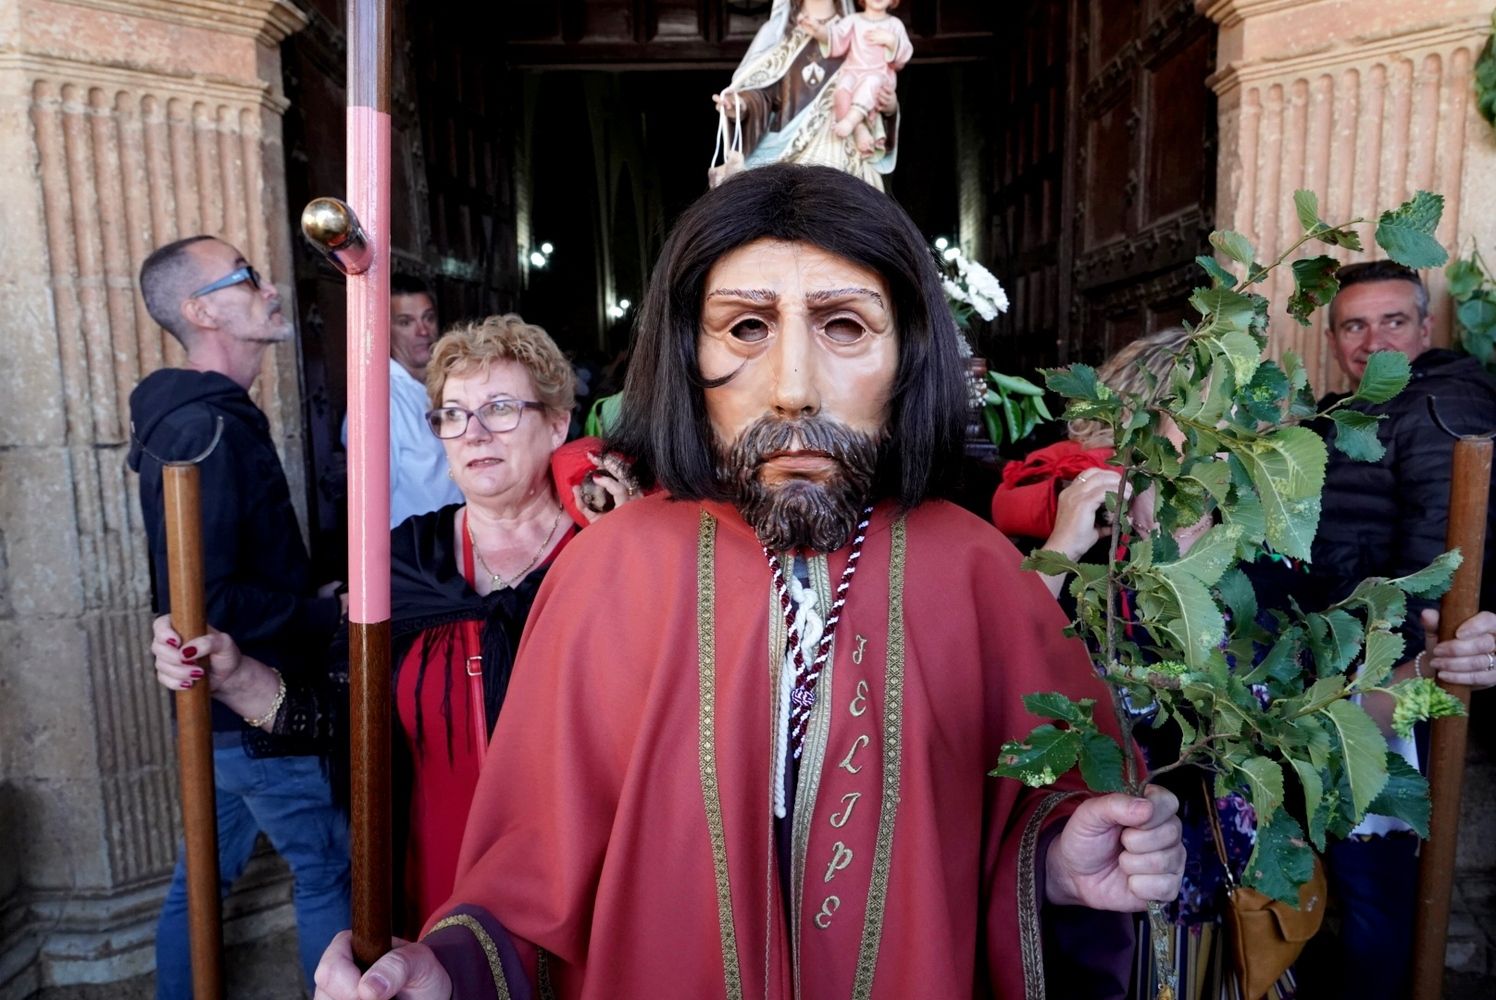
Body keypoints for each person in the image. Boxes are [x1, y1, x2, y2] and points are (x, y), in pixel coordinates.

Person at [311, 165, 1185, 1000]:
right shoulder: (611, 571)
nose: (793, 388)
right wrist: (450, 973)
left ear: (910, 354)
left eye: (844, 326)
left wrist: (1058, 866)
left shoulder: (976, 572)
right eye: (745, 329)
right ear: (686, 358)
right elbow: (530, 886)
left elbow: (1012, 839)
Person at [151, 314, 638, 936]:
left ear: (557, 423)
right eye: (453, 414)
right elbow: (343, 713)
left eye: (502, 408)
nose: (475, 432)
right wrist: (233, 674)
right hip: (440, 874)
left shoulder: (605, 553)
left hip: (588, 877)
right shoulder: (400, 562)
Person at [126, 236, 351, 998]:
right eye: (246, 277)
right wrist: (325, 618)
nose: (269, 288)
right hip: (253, 703)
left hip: (218, 714)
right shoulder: (205, 427)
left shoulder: (206, 416)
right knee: (328, 869)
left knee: (199, 882)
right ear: (200, 310)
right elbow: (207, 601)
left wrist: (307, 600)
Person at [1295, 259, 1496, 1000]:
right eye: (1354, 323)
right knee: (1359, 886)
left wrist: (1397, 688)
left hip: (1400, 684)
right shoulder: (1368, 410)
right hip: (1355, 674)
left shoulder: (1442, 406)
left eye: (1393, 320)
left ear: (1426, 326)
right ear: (1335, 336)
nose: (1373, 339)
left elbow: (1448, 565)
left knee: (1378, 884)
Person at [991, 328, 1191, 598]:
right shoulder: (1090, 511)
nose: (1229, 431)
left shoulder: (1249, 528)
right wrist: (1063, 548)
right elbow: (1014, 632)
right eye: (1200, 411)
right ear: (1144, 419)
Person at [711, 0, 901, 189]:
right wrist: (741, 105)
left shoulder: (856, 29)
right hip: (783, 146)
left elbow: (877, 76)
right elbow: (763, 93)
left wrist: (890, 107)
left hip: (840, 144)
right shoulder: (776, 33)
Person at [341, 274, 462, 527]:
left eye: (428, 318)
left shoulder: (449, 385)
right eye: (406, 322)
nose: (423, 331)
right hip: (415, 555)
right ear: (384, 329)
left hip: (457, 543)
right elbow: (371, 511)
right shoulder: (378, 402)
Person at [798, 0, 912, 156]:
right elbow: (836, 38)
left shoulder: (894, 24)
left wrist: (891, 41)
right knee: (842, 88)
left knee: (870, 83)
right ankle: (859, 128)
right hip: (853, 72)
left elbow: (903, 56)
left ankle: (850, 121)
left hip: (879, 76)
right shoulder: (853, 20)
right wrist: (818, 29)